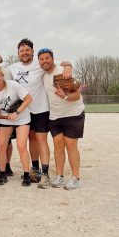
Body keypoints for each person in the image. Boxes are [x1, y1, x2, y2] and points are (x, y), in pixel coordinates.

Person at [7, 38, 72, 189]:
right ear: (18, 53)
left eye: (27, 50)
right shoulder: (13, 67)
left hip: (41, 108)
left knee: (41, 139)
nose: (24, 52)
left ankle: (45, 173)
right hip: (24, 111)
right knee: (31, 139)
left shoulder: (40, 63)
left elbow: (62, 63)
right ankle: (34, 169)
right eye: (22, 50)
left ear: (32, 51)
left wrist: (68, 66)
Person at [38, 48, 85, 190]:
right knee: (58, 144)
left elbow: (76, 95)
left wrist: (64, 96)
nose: (45, 61)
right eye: (41, 59)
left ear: (53, 58)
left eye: (47, 58)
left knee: (71, 145)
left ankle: (76, 178)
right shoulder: (43, 75)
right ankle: (59, 176)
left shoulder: (63, 70)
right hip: (55, 116)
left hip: (73, 113)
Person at [0, 67, 32, 186]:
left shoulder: (13, 85)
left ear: (2, 76)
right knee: (1, 146)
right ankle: (2, 173)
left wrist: (16, 112)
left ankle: (27, 174)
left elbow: (28, 99)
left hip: (21, 118)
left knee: (21, 146)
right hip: (6, 120)